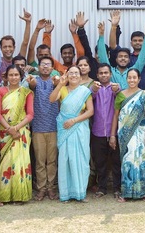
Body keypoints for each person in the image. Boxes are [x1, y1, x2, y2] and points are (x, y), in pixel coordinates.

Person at [49, 66, 95, 202]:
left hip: (80, 128)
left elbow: (90, 111)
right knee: (65, 160)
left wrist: (74, 120)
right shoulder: (62, 89)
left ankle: (80, 192)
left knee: (81, 159)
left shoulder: (85, 91)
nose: (74, 75)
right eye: (71, 73)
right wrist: (60, 84)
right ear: (67, 75)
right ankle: (66, 194)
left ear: (81, 76)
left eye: (76, 73)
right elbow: (52, 99)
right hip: (65, 129)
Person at [110, 69, 145, 202]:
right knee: (127, 162)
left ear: (139, 79)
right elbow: (116, 116)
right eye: (129, 78)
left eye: (134, 78)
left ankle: (142, 192)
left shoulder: (144, 95)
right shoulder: (121, 95)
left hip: (140, 133)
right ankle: (125, 192)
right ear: (126, 79)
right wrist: (112, 135)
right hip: (124, 135)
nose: (132, 80)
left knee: (140, 162)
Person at [0, 65, 35, 204]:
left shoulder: (26, 92)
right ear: (6, 77)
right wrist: (10, 129)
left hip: (22, 131)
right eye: (11, 75)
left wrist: (16, 127)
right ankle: (4, 196)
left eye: (16, 75)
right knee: (6, 162)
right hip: (5, 132)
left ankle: (20, 195)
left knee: (20, 162)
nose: (13, 78)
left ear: (21, 76)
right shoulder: (0, 91)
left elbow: (30, 114)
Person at [27, 56, 60, 201]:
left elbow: (59, 84)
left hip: (53, 127)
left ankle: (51, 188)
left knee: (52, 161)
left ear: (52, 68)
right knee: (40, 161)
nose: (45, 67)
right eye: (43, 64)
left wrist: (58, 82)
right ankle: (41, 189)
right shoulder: (34, 81)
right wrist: (32, 82)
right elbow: (32, 84)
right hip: (38, 127)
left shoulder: (56, 82)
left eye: (48, 65)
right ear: (39, 67)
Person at [90, 64, 121, 198]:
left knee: (115, 162)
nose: (103, 75)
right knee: (100, 162)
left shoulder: (115, 88)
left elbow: (122, 102)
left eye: (106, 73)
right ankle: (102, 188)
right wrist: (93, 91)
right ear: (97, 75)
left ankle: (117, 188)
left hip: (113, 131)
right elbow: (88, 101)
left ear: (110, 74)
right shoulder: (94, 88)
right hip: (97, 132)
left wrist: (118, 91)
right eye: (101, 73)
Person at [97, 21, 145, 89]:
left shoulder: (133, 71)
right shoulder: (110, 71)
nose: (123, 58)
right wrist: (101, 36)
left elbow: (143, 56)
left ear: (129, 60)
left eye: (125, 57)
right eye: (120, 56)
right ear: (116, 59)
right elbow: (102, 56)